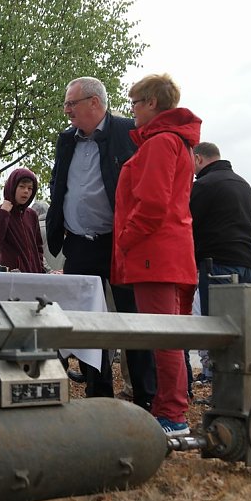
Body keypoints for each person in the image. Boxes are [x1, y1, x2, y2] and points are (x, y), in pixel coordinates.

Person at [46, 76, 156, 411]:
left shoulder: (128, 132)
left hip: (120, 244)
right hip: (79, 244)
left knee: (130, 320)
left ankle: (145, 396)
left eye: (71, 104)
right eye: (66, 104)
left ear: (95, 103)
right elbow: (60, 184)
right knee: (87, 323)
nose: (66, 111)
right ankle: (98, 394)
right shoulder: (66, 140)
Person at [112, 73, 201, 437]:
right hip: (171, 253)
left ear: (151, 103)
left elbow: (152, 203)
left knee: (162, 338)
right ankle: (172, 409)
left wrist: (125, 240)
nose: (131, 109)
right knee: (170, 337)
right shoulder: (176, 142)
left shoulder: (160, 142)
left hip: (155, 256)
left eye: (135, 102)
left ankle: (172, 415)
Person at [189, 142, 251, 384]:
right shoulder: (242, 183)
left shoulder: (205, 185)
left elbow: (189, 223)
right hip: (247, 261)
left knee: (216, 326)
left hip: (217, 262)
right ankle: (242, 384)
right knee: (241, 326)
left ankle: (216, 379)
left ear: (198, 159)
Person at [0, 168, 45, 273]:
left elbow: (38, 248)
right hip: (11, 276)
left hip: (34, 277)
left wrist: (40, 270)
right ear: (13, 187)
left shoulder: (32, 215)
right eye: (22, 186)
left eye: (30, 188)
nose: (26, 191)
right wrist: (3, 214)